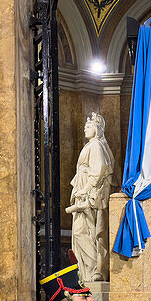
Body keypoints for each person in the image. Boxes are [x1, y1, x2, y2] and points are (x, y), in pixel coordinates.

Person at [67, 112, 113, 283]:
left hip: (89, 197)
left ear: (96, 129)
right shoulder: (91, 145)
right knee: (84, 232)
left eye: (88, 126)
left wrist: (84, 190)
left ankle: (95, 268)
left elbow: (98, 170)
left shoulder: (95, 146)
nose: (85, 129)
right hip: (83, 193)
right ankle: (89, 270)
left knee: (85, 232)